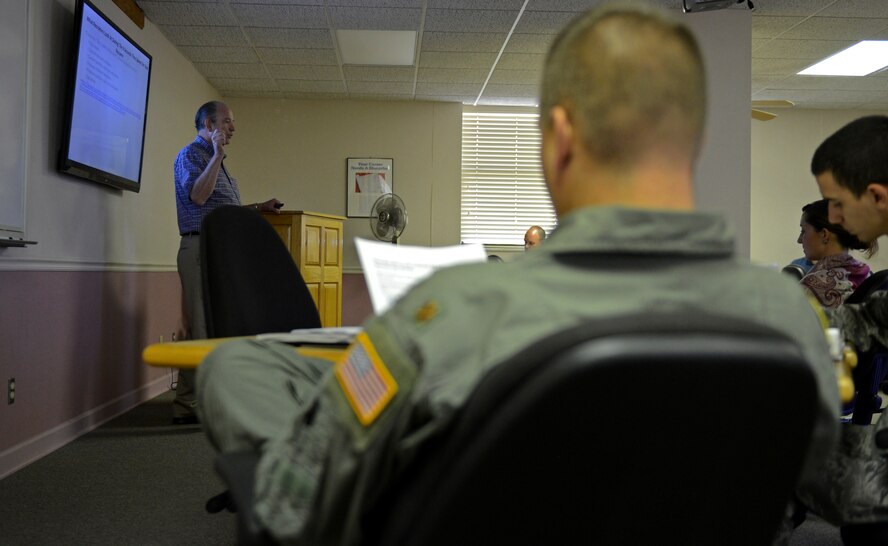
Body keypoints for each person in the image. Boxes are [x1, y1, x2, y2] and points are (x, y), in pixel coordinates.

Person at [196, 4, 838, 544]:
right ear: (693, 141)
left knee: (233, 368)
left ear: (559, 138)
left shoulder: (444, 311)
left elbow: (291, 508)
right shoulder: (790, 317)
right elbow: (795, 487)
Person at [172, 100, 283, 424]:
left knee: (214, 329)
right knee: (201, 331)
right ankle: (190, 405)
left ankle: (195, 402)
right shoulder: (192, 155)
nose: (233, 128)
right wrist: (218, 157)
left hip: (220, 251)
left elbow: (221, 207)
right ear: (208, 125)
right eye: (226, 122)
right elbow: (198, 196)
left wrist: (258, 207)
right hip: (199, 250)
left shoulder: (217, 162)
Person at [796, 199, 872, 308]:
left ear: (824, 234)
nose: (799, 240)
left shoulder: (810, 288)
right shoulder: (868, 275)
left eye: (803, 231)